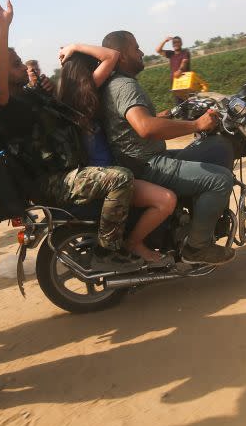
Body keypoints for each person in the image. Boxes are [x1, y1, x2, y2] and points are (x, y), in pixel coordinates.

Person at [0, 0, 139, 269]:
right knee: (120, 179)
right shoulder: (2, 107)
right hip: (51, 181)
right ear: (2, 72)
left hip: (66, 170)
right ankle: (106, 253)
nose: (24, 67)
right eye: (15, 64)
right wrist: (0, 27)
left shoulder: (30, 96)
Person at [102, 30, 236, 265]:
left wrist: (169, 114)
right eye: (136, 48)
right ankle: (197, 247)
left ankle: (193, 222)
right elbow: (144, 127)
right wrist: (196, 124)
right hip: (146, 164)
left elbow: (135, 121)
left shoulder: (116, 84)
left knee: (213, 148)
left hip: (143, 157)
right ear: (121, 56)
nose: (142, 52)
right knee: (220, 180)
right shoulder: (124, 86)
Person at [57, 44, 177, 267]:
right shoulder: (83, 96)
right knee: (165, 200)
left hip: (104, 174)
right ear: (85, 73)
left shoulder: (72, 100)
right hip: (108, 179)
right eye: (93, 66)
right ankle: (134, 244)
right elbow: (113, 55)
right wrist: (75, 46)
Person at [156, 35, 191, 104]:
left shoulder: (185, 52)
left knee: (189, 102)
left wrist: (180, 70)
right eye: (174, 42)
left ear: (181, 43)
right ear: (172, 44)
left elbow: (184, 62)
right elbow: (158, 50)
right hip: (175, 83)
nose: (176, 44)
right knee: (179, 104)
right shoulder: (171, 54)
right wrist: (165, 41)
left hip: (185, 81)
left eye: (178, 42)